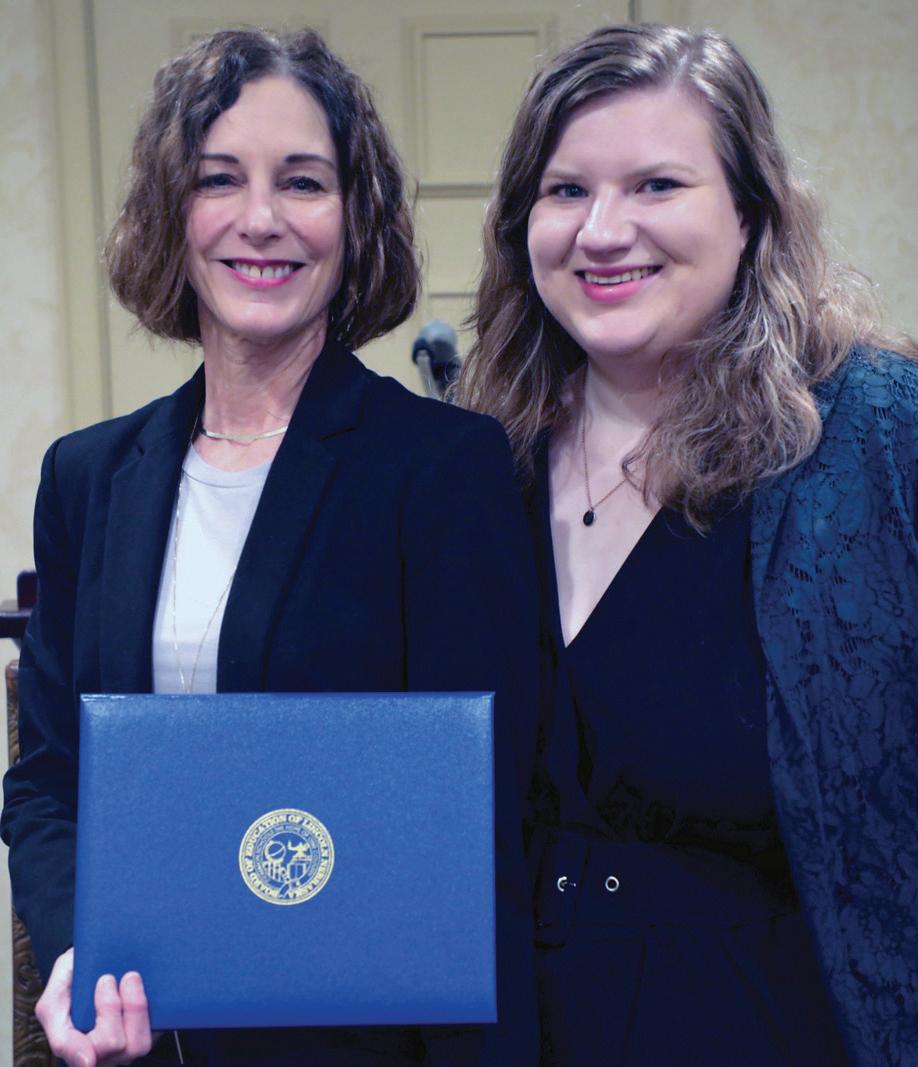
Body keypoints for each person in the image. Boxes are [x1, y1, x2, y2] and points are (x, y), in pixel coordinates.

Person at [1, 28, 540, 1067]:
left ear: (356, 216)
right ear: (172, 214)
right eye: (219, 179)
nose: (261, 218)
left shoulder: (442, 469)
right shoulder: (87, 477)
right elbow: (50, 779)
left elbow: (479, 833)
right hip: (138, 1044)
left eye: (303, 181)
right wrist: (76, 953)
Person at [456, 22, 917, 1067]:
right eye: (566, 191)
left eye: (657, 185)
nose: (602, 230)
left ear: (751, 212)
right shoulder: (477, 462)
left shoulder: (879, 436)